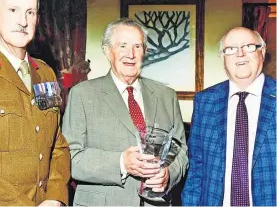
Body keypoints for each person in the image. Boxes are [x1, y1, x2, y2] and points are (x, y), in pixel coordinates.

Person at [62, 18, 188, 206]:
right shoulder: (82, 94)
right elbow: (71, 158)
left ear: (144, 52)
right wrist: (121, 162)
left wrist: (169, 175)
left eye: (137, 46)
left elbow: (180, 151)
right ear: (107, 51)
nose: (131, 54)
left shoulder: (166, 96)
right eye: (123, 46)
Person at [0, 0, 70, 206]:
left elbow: (57, 144)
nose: (23, 21)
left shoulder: (45, 74)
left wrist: (55, 197)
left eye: (30, 12)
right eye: (13, 10)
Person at [182, 27, 276, 206]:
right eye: (231, 49)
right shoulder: (205, 101)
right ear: (223, 58)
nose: (240, 54)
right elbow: (196, 168)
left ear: (262, 52)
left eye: (248, 46)